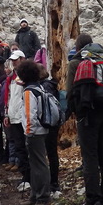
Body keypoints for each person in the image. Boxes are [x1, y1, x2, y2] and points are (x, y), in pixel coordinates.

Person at [66, 34, 103, 205]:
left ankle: (92, 202)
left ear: (78, 47)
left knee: (90, 158)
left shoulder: (75, 64)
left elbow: (70, 92)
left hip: (87, 116)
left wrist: (73, 111)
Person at [18, 60, 51, 205]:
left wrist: (28, 133)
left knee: (39, 164)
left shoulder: (29, 91)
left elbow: (29, 114)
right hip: (41, 130)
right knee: (36, 163)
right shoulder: (39, 88)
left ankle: (42, 196)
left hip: (34, 132)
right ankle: (35, 194)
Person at [3, 50, 30, 191]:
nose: (14, 62)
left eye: (16, 59)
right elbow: (8, 97)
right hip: (14, 116)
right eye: (13, 60)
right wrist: (6, 114)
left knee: (25, 147)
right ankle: (25, 175)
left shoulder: (27, 75)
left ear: (22, 59)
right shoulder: (11, 77)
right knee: (19, 147)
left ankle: (28, 177)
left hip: (24, 117)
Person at [38, 64, 61, 193]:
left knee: (50, 153)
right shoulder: (50, 85)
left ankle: (53, 181)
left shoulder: (44, 87)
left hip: (48, 123)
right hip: (53, 123)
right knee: (51, 153)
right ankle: (53, 180)